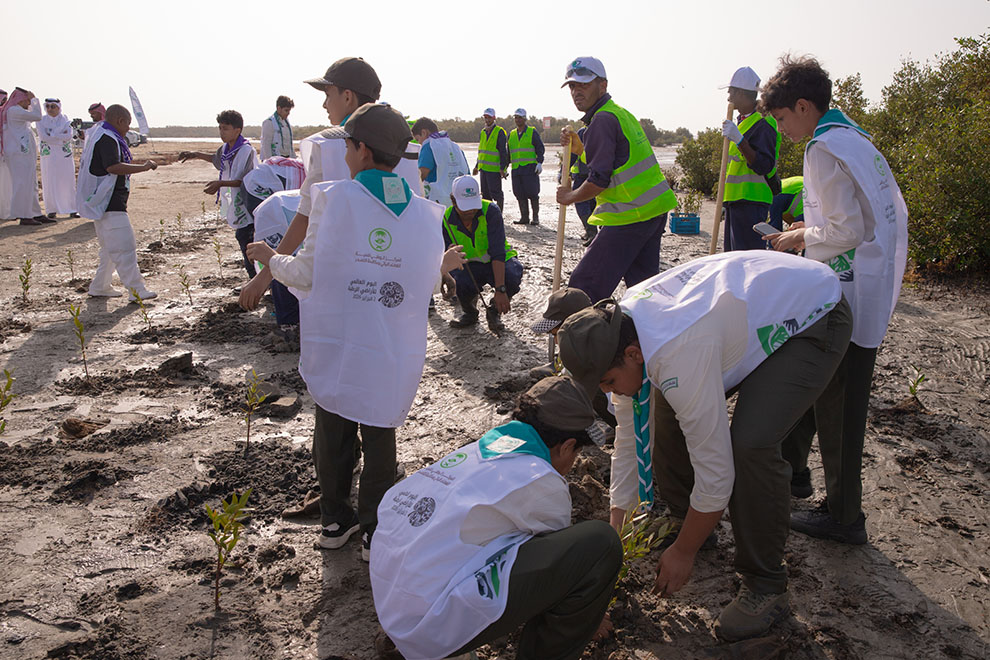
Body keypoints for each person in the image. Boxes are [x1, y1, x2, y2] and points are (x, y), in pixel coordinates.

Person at [557, 250, 853, 641]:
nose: (609, 393)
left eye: (609, 383)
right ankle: (687, 518)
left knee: (751, 445)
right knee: (665, 411)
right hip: (748, 312)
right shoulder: (620, 333)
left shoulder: (677, 352)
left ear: (632, 355)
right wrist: (617, 530)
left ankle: (766, 585)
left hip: (812, 315)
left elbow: (718, 474)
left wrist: (684, 552)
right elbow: (628, 441)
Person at [246, 103, 453, 561]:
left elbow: (306, 274)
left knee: (333, 428)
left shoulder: (332, 199)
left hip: (341, 345)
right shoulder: (426, 214)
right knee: (381, 437)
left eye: (347, 147)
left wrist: (268, 259)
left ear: (359, 150)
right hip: (391, 349)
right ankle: (374, 532)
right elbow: (427, 282)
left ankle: (336, 521)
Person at [762, 55, 909, 544]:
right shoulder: (856, 140)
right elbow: (863, 216)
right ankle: (795, 472)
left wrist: (800, 240)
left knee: (839, 404)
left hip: (848, 290)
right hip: (869, 279)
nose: (781, 131)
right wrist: (811, 230)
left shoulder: (823, 149)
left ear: (804, 106)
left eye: (782, 119)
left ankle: (845, 517)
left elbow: (846, 229)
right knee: (813, 380)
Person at [371, 375, 620, 660]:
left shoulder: (477, 451)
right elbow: (560, 578)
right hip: (427, 626)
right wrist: (588, 615)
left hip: (391, 599)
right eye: (576, 452)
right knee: (600, 545)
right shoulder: (541, 481)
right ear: (566, 446)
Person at [237, 57, 422, 313]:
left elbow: (304, 219)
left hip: (345, 287)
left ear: (347, 97)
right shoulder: (404, 145)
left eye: (328, 94)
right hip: (393, 287)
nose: (325, 104)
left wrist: (263, 276)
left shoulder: (329, 147)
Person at [556, 57, 677, 303]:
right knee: (641, 289)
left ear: (603, 85)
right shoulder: (619, 114)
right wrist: (581, 149)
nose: (576, 92)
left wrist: (570, 196)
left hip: (630, 215)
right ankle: (639, 338)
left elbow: (599, 180)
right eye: (572, 87)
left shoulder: (602, 120)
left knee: (583, 287)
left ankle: (571, 336)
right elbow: (619, 160)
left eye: (583, 85)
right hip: (652, 212)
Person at [76, 104, 158, 300]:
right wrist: (144, 167)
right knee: (124, 247)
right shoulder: (108, 138)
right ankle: (137, 290)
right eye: (127, 125)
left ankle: (100, 286)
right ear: (120, 122)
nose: (128, 129)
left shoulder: (102, 133)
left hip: (104, 200)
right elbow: (113, 167)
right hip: (110, 201)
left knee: (109, 249)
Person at [177, 110, 259, 279]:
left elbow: (242, 181)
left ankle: (257, 280)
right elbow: (216, 159)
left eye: (226, 129)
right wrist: (196, 155)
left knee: (247, 239)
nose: (222, 132)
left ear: (237, 130)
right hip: (237, 203)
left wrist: (220, 183)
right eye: (220, 128)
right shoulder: (226, 148)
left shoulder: (245, 151)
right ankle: (257, 280)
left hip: (248, 202)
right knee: (244, 238)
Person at [442, 175, 522, 333]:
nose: (470, 211)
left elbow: (498, 252)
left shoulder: (490, 211)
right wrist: (446, 277)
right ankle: (470, 313)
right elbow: (444, 255)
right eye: (465, 208)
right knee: (460, 281)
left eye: (473, 206)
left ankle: (493, 311)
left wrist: (501, 290)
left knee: (512, 275)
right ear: (453, 201)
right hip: (469, 265)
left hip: (497, 261)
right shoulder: (446, 219)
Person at [719, 66, 781, 251]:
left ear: (740, 93)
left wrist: (739, 140)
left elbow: (764, 165)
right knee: (732, 256)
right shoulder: (742, 121)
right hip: (736, 201)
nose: (728, 96)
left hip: (752, 201)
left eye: (731, 91)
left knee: (747, 259)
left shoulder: (764, 123)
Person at [0, 87, 47, 225]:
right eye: (27, 100)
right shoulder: (14, 111)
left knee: (30, 182)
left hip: (23, 152)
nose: (28, 104)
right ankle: (23, 215)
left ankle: (34, 213)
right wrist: (35, 100)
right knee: (22, 183)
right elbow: (38, 116)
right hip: (18, 153)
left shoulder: (17, 111)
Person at [411, 117, 469, 204]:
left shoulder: (429, 146)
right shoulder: (455, 147)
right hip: (459, 201)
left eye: (418, 139)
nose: (419, 143)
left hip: (437, 200)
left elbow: (422, 174)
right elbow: (467, 173)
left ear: (424, 132)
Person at [37, 98, 79, 219]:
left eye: (53, 106)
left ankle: (72, 208)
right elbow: (44, 137)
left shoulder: (66, 120)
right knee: (49, 181)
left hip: (64, 156)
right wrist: (58, 136)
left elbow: (68, 136)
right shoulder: (41, 120)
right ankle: (51, 209)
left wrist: (53, 135)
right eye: (48, 106)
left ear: (59, 107)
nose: (49, 109)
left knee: (67, 181)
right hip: (48, 157)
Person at [508, 108, 544, 225]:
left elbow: (540, 148)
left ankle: (535, 217)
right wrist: (504, 167)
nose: (517, 120)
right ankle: (524, 217)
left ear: (525, 119)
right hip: (516, 169)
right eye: (516, 117)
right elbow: (508, 153)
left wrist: (539, 162)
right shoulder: (512, 134)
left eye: (520, 117)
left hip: (529, 168)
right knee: (519, 193)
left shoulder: (532, 132)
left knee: (533, 193)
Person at [472, 107, 509, 210]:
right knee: (485, 195)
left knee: (497, 194)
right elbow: (481, 152)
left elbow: (503, 152)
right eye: (485, 117)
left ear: (494, 118)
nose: (487, 120)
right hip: (483, 169)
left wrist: (503, 168)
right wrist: (476, 166)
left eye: (489, 117)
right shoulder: (483, 132)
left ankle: (499, 214)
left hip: (494, 170)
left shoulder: (499, 132)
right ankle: (489, 215)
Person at [569, 125, 598, 245]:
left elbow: (573, 154)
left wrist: (564, 171)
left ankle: (592, 232)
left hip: (584, 174)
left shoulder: (583, 132)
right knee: (593, 202)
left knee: (581, 202)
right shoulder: (603, 130)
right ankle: (592, 231)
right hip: (596, 173)